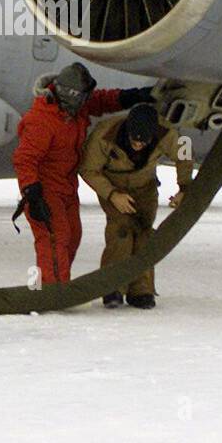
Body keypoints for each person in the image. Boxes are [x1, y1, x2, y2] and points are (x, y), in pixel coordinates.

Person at [12, 63, 153, 286]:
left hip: (67, 187)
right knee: (55, 238)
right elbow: (24, 159)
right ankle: (53, 291)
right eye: (85, 96)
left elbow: (102, 101)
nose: (89, 100)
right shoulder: (41, 121)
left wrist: (136, 96)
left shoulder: (76, 108)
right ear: (73, 96)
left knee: (72, 237)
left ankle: (59, 284)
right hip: (45, 190)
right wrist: (32, 193)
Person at [79, 103, 193, 310]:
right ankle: (112, 287)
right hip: (113, 187)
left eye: (144, 142)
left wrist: (184, 187)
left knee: (144, 235)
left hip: (145, 188)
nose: (138, 145)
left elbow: (184, 155)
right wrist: (113, 195)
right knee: (121, 231)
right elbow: (88, 169)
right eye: (134, 140)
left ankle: (141, 291)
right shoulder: (105, 134)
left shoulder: (167, 133)